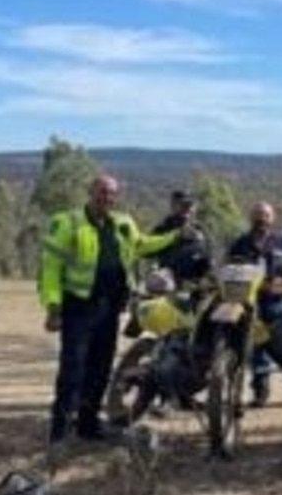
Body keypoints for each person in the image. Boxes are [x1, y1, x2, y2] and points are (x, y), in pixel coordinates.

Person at [38, 173, 181, 446]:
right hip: (78, 307)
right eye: (102, 191)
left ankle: (88, 425)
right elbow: (50, 269)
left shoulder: (122, 224)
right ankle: (60, 430)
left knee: (101, 368)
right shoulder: (67, 223)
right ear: (90, 192)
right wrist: (53, 306)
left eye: (112, 193)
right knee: (73, 369)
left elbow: (143, 244)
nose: (107, 197)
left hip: (111, 308)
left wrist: (175, 236)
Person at [227, 201, 282, 408]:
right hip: (249, 304)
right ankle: (260, 392)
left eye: (265, 215)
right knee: (257, 350)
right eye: (257, 215)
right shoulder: (241, 243)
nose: (261, 219)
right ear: (251, 218)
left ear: (272, 218)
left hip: (279, 302)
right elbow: (227, 267)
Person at [149, 190, 213, 285]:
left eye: (190, 205)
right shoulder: (162, 229)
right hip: (169, 282)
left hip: (196, 282)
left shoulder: (199, 228)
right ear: (173, 206)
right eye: (183, 205)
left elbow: (208, 253)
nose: (187, 209)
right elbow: (148, 252)